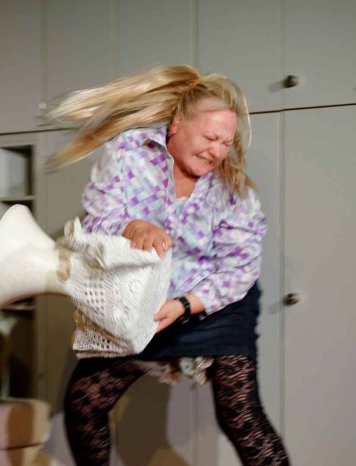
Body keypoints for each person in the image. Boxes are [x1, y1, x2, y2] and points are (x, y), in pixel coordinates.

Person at [49, 64, 290, 466]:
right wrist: (132, 226)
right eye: (210, 137)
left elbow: (238, 272)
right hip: (143, 297)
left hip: (214, 300)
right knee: (84, 403)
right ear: (177, 124)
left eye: (225, 142)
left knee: (240, 415)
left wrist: (184, 305)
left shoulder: (235, 193)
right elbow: (96, 222)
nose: (217, 151)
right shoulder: (128, 153)